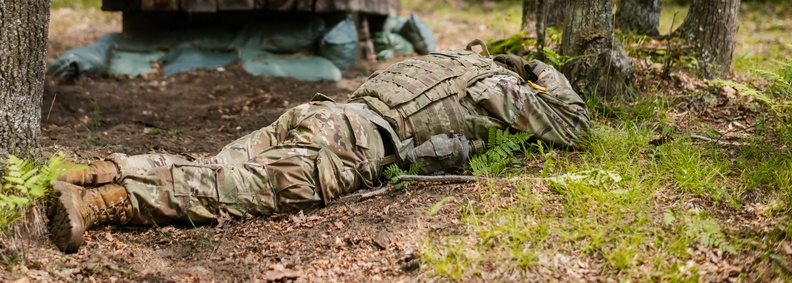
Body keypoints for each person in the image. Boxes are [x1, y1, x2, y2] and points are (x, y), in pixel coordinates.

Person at [48, 45, 590, 253]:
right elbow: (575, 126)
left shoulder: (448, 59)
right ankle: (100, 205)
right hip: (355, 143)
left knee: (220, 163)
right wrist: (541, 71)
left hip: (320, 113)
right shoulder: (499, 88)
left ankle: (101, 171)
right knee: (234, 187)